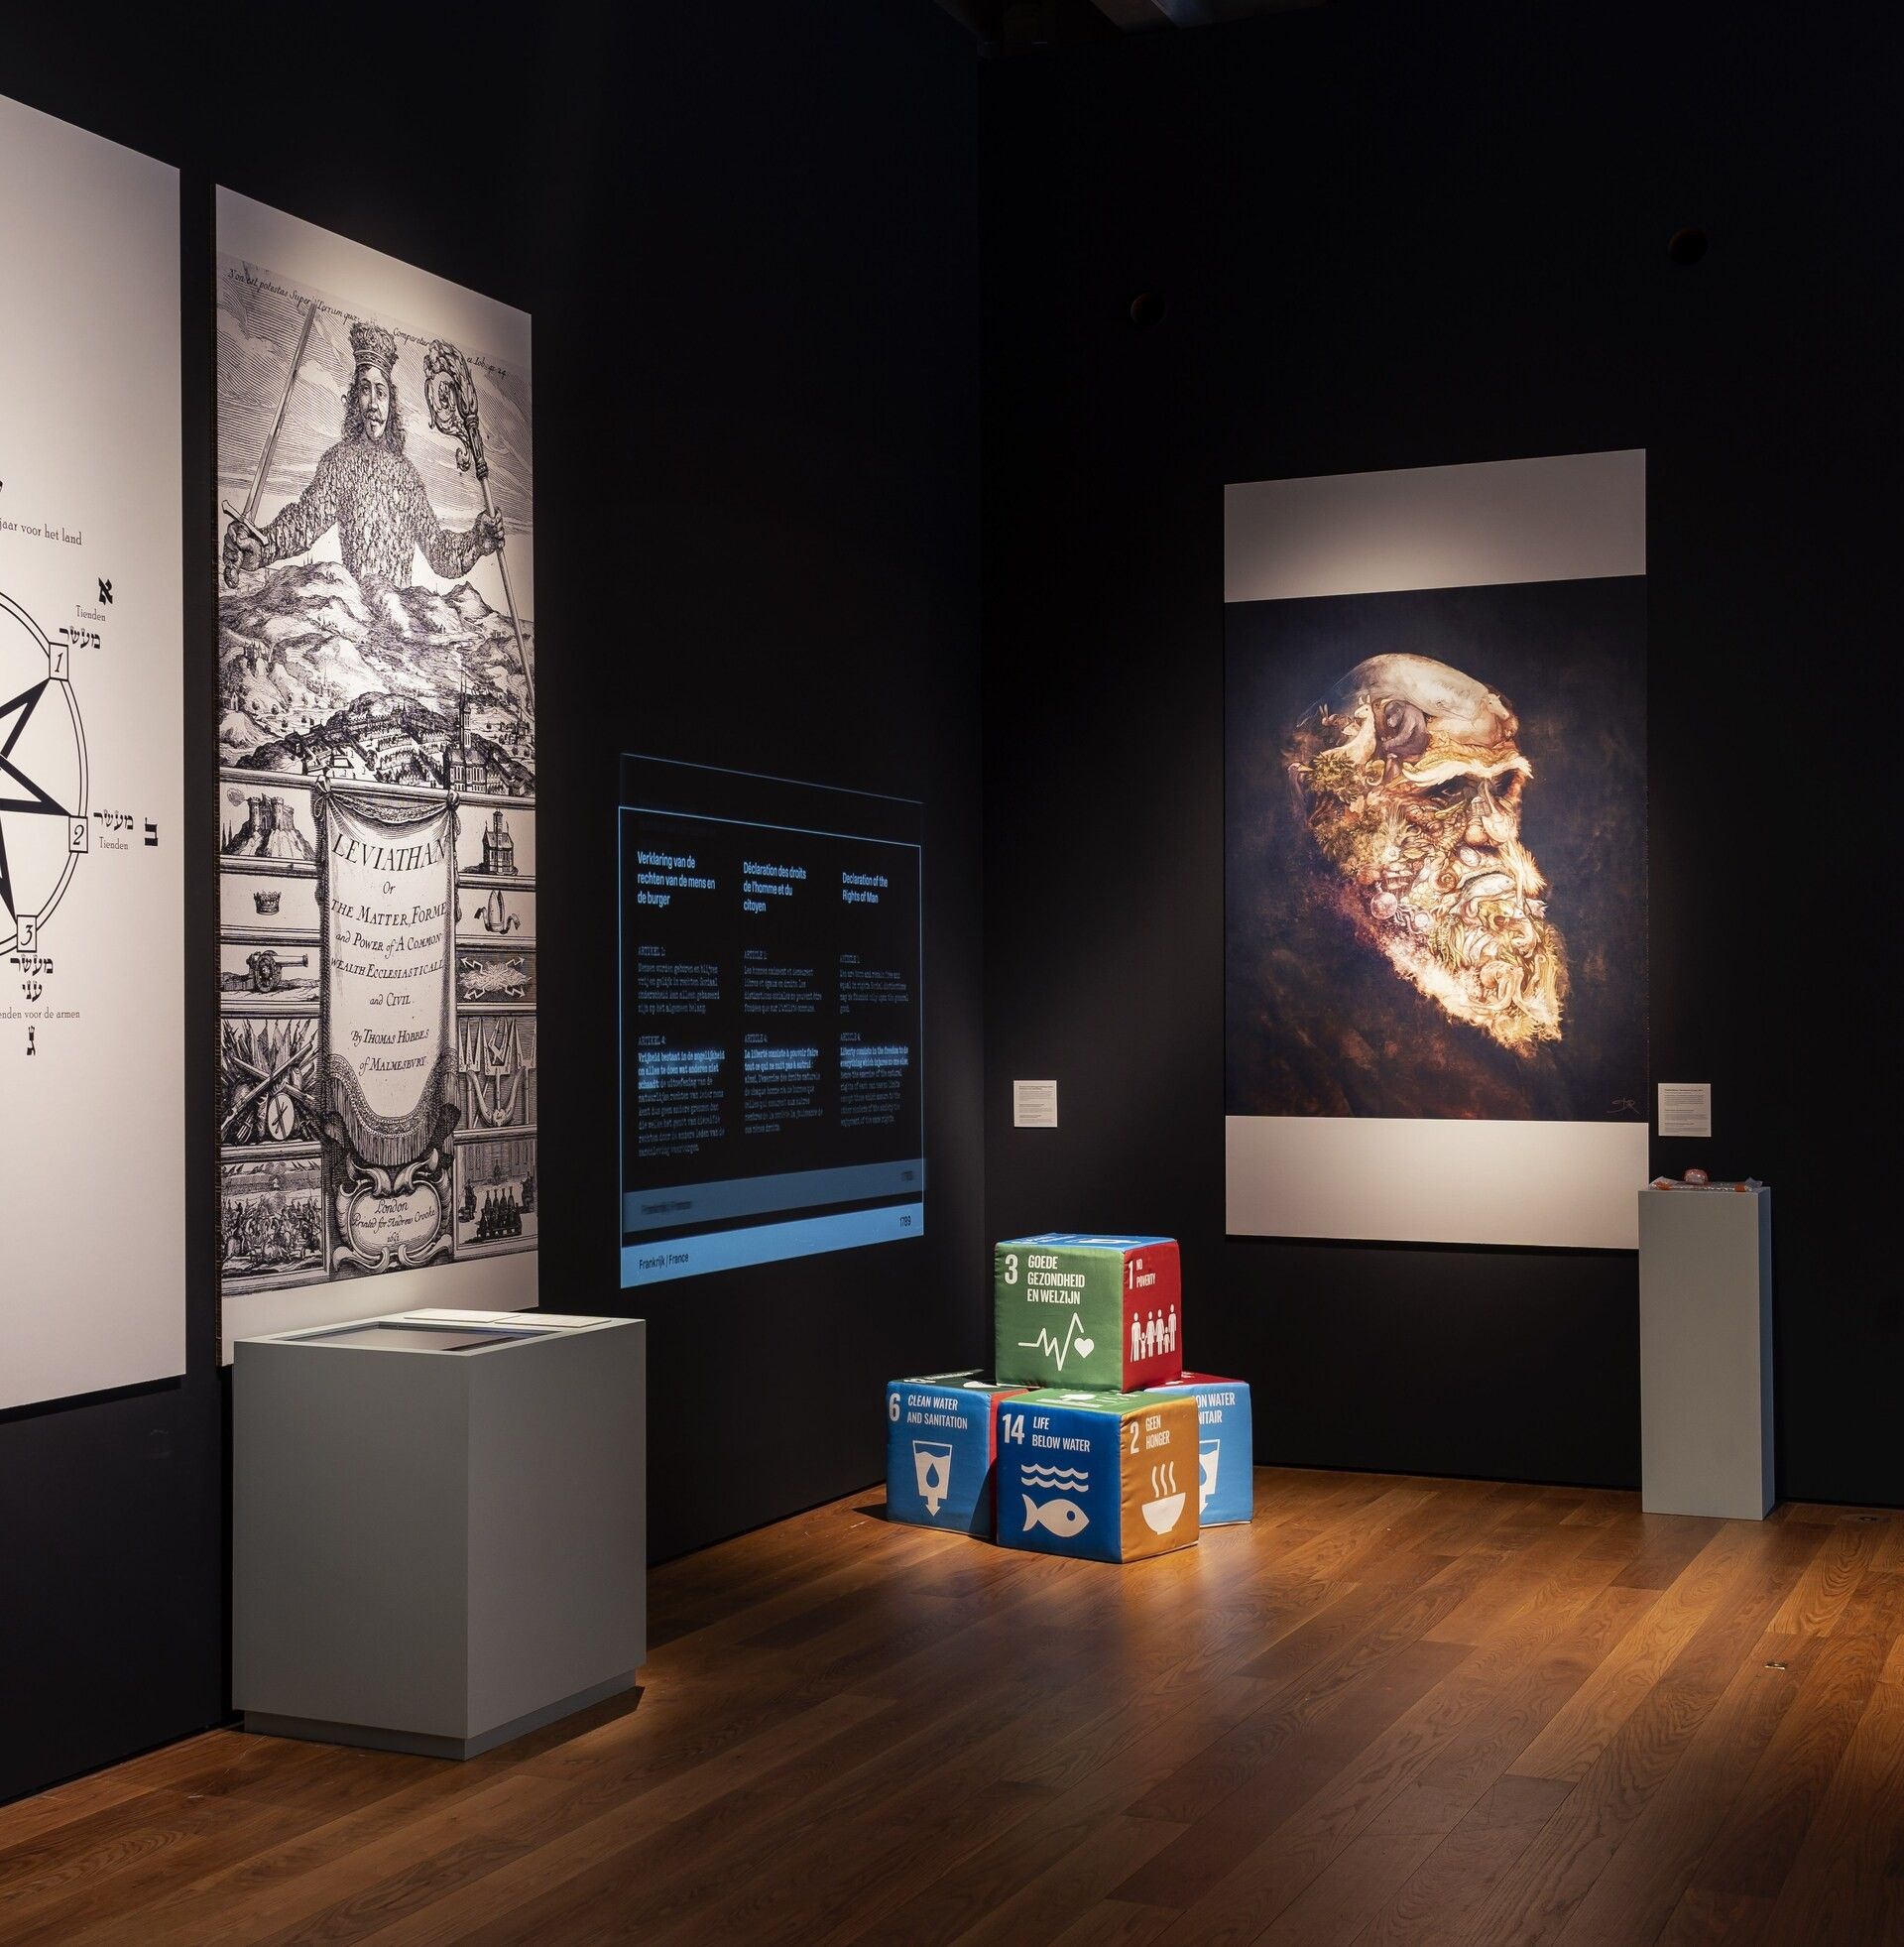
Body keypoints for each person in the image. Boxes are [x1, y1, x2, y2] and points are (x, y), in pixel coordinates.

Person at [222, 320, 504, 606]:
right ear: (354, 399)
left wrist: (478, 541)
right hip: (354, 615)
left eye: (380, 392)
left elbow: (440, 554)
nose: (372, 404)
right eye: (364, 390)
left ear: (390, 403)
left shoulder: (406, 476)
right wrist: (260, 547)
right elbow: (302, 524)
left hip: (399, 618)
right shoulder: (339, 463)